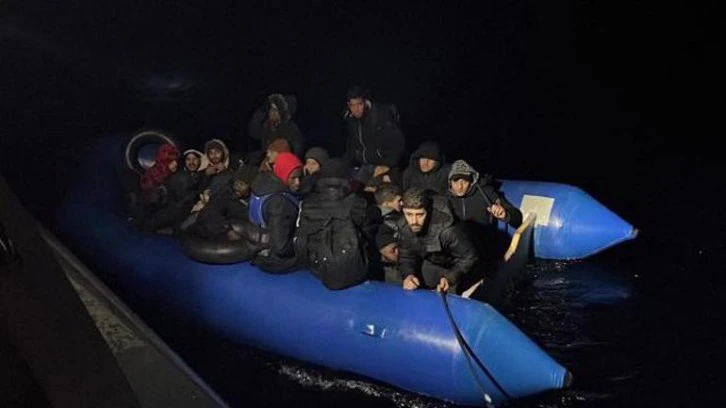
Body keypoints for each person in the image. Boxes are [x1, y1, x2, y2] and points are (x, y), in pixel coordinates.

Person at [295, 158, 374, 290]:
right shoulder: (359, 203)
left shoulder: (308, 203)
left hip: (315, 266)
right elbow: (369, 237)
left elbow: (302, 234)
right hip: (351, 267)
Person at [397, 187, 478, 293]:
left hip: (460, 268)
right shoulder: (404, 227)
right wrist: (408, 275)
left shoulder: (448, 231)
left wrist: (450, 278)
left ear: (428, 211)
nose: (414, 221)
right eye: (409, 214)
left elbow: (469, 258)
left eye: (420, 214)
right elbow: (406, 256)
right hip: (432, 263)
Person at [447, 159, 523, 264]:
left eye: (464, 181)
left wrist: (505, 214)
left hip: (482, 250)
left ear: (472, 181)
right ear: (450, 182)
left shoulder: (486, 193)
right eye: (456, 181)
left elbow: (518, 218)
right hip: (455, 251)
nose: (460, 187)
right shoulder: (445, 198)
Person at [248, 152, 303, 273]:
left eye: (300, 177)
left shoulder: (261, 187)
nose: (298, 183)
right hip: (274, 261)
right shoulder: (280, 203)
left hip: (256, 253)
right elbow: (281, 248)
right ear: (283, 174)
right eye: (293, 178)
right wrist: (302, 241)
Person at [342, 86, 406, 186]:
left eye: (359, 104)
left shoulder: (381, 116)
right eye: (352, 105)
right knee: (350, 189)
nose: (356, 109)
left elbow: (398, 143)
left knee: (373, 191)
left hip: (385, 165)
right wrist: (344, 166)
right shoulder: (350, 118)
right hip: (365, 166)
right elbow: (351, 144)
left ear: (366, 102)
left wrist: (387, 165)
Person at [248, 93, 305, 158]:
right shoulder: (267, 125)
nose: (271, 112)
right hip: (267, 159)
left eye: (275, 110)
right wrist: (261, 111)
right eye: (271, 108)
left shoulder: (292, 130)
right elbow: (253, 133)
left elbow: (295, 153)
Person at [372, 182, 403, 284]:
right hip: (394, 271)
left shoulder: (376, 217)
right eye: (398, 201)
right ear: (386, 203)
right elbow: (388, 251)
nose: (402, 203)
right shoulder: (385, 221)